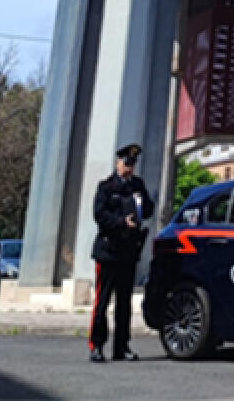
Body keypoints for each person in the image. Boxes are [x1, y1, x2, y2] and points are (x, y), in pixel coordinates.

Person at [89, 142, 154, 363]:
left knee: (124, 303)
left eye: (132, 164)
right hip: (108, 251)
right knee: (102, 301)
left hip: (128, 253)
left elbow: (148, 210)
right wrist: (121, 222)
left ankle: (122, 346)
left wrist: (142, 203)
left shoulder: (137, 185)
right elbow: (99, 215)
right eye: (126, 163)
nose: (129, 167)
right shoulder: (106, 187)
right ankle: (97, 345)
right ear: (118, 163)